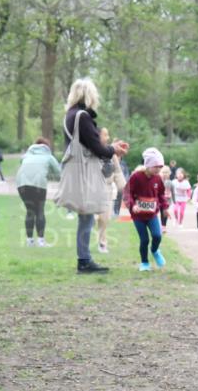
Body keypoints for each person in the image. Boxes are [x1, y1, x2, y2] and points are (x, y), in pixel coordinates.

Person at [62, 77, 129, 274]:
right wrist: (113, 149)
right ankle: (84, 260)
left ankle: (84, 259)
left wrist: (109, 148)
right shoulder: (82, 116)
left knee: (86, 215)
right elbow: (96, 147)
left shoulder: (69, 115)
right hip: (85, 172)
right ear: (89, 95)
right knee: (87, 216)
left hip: (76, 170)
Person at [126, 148, 170, 271]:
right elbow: (128, 193)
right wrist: (133, 205)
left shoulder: (158, 178)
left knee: (157, 236)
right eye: (156, 166)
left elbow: (161, 194)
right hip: (138, 216)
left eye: (160, 167)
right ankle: (144, 263)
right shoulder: (136, 177)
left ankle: (155, 251)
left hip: (152, 215)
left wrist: (165, 207)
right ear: (148, 165)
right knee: (144, 239)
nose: (158, 169)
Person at [15, 137, 62, 247]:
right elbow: (59, 173)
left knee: (30, 211)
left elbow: (23, 162)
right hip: (38, 184)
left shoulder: (26, 155)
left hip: (21, 183)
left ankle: (30, 241)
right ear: (47, 147)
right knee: (39, 210)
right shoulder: (48, 156)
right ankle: (41, 241)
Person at [95, 127, 126, 254]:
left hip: (107, 192)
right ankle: (85, 243)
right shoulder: (92, 151)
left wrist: (125, 189)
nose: (108, 138)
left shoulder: (111, 153)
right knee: (93, 217)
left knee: (105, 219)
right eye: (105, 135)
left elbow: (118, 172)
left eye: (108, 135)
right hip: (93, 190)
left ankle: (102, 243)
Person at [160, 166, 172, 233]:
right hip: (159, 200)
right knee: (158, 212)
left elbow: (173, 191)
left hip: (167, 200)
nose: (165, 174)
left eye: (166, 172)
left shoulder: (170, 182)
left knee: (164, 213)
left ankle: (163, 226)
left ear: (169, 174)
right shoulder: (158, 180)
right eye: (163, 172)